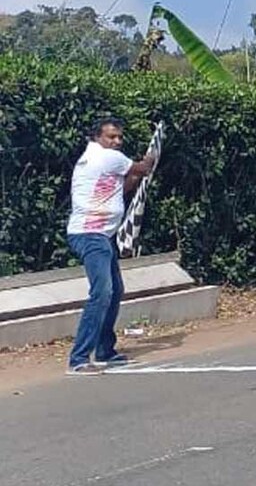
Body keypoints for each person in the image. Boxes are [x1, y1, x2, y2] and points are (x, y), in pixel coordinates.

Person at [66, 117, 155, 375]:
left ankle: (105, 350)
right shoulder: (106, 158)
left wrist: (137, 176)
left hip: (101, 235)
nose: (116, 142)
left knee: (115, 291)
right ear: (97, 138)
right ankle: (79, 358)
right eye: (111, 137)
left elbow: (122, 188)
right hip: (91, 234)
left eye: (119, 137)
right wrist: (151, 156)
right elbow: (142, 168)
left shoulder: (96, 160)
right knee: (102, 293)